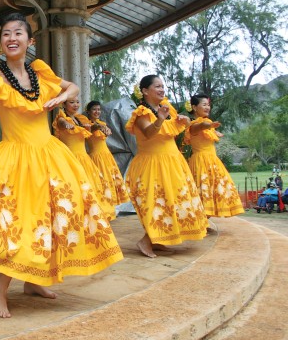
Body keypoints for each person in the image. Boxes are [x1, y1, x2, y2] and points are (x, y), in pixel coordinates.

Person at [0, 12, 123, 318]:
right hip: (16, 160)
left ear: (30, 41)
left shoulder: (41, 74)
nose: (11, 38)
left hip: (49, 157)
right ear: (0, 41)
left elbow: (73, 88)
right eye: (5, 34)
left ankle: (32, 280)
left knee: (50, 219)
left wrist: (61, 97)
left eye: (18, 33)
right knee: (20, 223)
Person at [125, 75, 208, 258]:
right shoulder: (141, 113)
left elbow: (172, 130)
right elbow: (148, 133)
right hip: (153, 164)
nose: (162, 89)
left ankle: (158, 239)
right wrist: (160, 119)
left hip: (172, 161)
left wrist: (183, 121)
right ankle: (146, 240)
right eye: (157, 86)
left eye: (163, 86)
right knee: (158, 201)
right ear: (145, 91)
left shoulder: (166, 108)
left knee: (174, 200)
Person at [52, 96, 116, 220]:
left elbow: (91, 129)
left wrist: (100, 127)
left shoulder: (80, 119)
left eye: (77, 102)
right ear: (64, 105)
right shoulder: (61, 118)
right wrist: (66, 124)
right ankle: (79, 215)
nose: (76, 104)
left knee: (92, 186)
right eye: (72, 102)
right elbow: (61, 123)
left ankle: (95, 214)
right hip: (72, 158)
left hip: (85, 159)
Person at [184, 94, 244, 218]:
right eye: (204, 104)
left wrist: (211, 128)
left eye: (208, 105)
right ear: (194, 107)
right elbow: (200, 127)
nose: (207, 107)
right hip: (201, 161)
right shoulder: (193, 125)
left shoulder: (207, 123)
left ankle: (205, 221)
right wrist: (209, 126)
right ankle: (201, 222)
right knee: (203, 192)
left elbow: (205, 128)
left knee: (213, 191)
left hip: (212, 161)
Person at [85, 100, 130, 207]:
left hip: (106, 156)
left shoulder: (102, 124)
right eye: (94, 109)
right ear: (88, 111)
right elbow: (90, 130)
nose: (97, 112)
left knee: (110, 180)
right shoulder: (86, 124)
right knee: (101, 182)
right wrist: (99, 127)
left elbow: (106, 130)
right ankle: (102, 206)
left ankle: (109, 206)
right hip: (96, 157)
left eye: (99, 109)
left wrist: (104, 128)